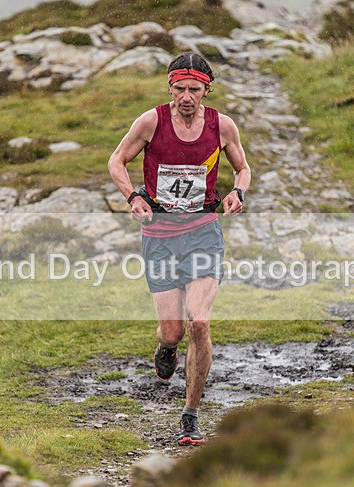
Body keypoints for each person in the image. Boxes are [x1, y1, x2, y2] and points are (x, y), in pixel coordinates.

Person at [108, 52, 251, 446]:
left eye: (194, 89)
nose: (186, 97)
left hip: (204, 232)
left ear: (207, 89)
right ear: (169, 88)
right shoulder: (151, 121)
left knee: (199, 323)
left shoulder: (221, 126)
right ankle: (165, 348)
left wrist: (238, 191)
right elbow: (117, 160)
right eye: (179, 89)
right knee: (172, 332)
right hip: (160, 237)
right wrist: (132, 197)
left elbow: (243, 167)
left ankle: (190, 414)